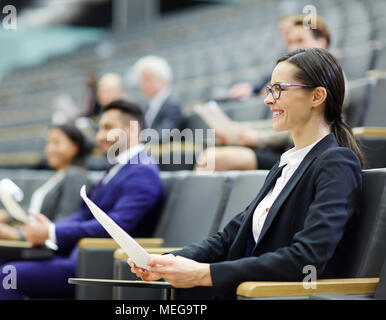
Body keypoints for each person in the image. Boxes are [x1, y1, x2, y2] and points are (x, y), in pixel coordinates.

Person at [130, 48, 363, 300]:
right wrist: (168, 261)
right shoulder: (286, 162)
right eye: (269, 90)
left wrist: (204, 274)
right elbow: (229, 238)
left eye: (279, 89)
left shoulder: (336, 161)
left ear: (317, 96)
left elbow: (306, 259)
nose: (268, 100)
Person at [0, 99, 163, 299]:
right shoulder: (117, 168)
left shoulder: (142, 171)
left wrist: (52, 231)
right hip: (80, 254)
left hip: (102, 262)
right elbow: (83, 214)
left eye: (108, 128)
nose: (99, 136)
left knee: (9, 274)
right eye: (99, 128)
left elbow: (117, 226)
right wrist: (50, 228)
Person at [0, 124, 91, 299]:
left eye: (57, 143)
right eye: (48, 143)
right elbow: (37, 212)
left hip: (45, 248)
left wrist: (18, 235)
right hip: (32, 241)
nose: (49, 149)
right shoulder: (56, 176)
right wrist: (5, 216)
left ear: (75, 146)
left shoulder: (75, 175)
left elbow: (63, 223)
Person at [196, 15, 332, 171]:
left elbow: (303, 128)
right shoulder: (297, 82)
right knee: (211, 149)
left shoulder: (331, 81)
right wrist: (239, 130)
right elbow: (283, 121)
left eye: (300, 41)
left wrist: (256, 138)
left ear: (321, 43)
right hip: (282, 149)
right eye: (290, 42)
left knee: (212, 159)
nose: (293, 48)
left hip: (297, 153)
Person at [133, 55, 185, 141]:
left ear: (163, 79)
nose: (143, 85)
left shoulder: (172, 105)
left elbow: (166, 134)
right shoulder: (148, 106)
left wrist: (139, 139)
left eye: (147, 79)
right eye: (141, 80)